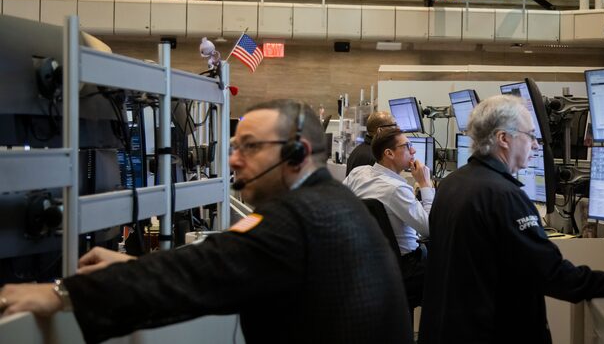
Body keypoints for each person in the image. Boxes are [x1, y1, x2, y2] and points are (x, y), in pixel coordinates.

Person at [0, 100, 412, 344]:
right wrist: (134, 266)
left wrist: (62, 292)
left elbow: (201, 270)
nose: (233, 159)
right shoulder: (332, 200)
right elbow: (226, 269)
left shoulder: (293, 218)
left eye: (249, 147)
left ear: (296, 155)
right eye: (234, 146)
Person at [418, 94, 604, 344]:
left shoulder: (451, 185)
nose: (535, 145)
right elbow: (551, 274)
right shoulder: (504, 197)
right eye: (530, 136)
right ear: (504, 138)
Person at [344, 126, 434, 308]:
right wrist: (425, 184)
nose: (413, 150)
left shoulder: (357, 173)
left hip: (369, 263)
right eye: (408, 146)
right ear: (389, 153)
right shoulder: (396, 189)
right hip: (407, 268)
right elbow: (430, 228)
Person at [346, 111, 397, 176]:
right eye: (394, 125)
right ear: (380, 130)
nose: (397, 129)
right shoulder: (374, 157)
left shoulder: (360, 149)